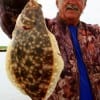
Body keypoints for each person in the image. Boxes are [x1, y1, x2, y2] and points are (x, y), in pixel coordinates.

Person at [0, 0, 100, 100]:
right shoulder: (44, 27)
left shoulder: (96, 33)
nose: (72, 1)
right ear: (57, 3)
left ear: (85, 4)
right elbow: (10, 16)